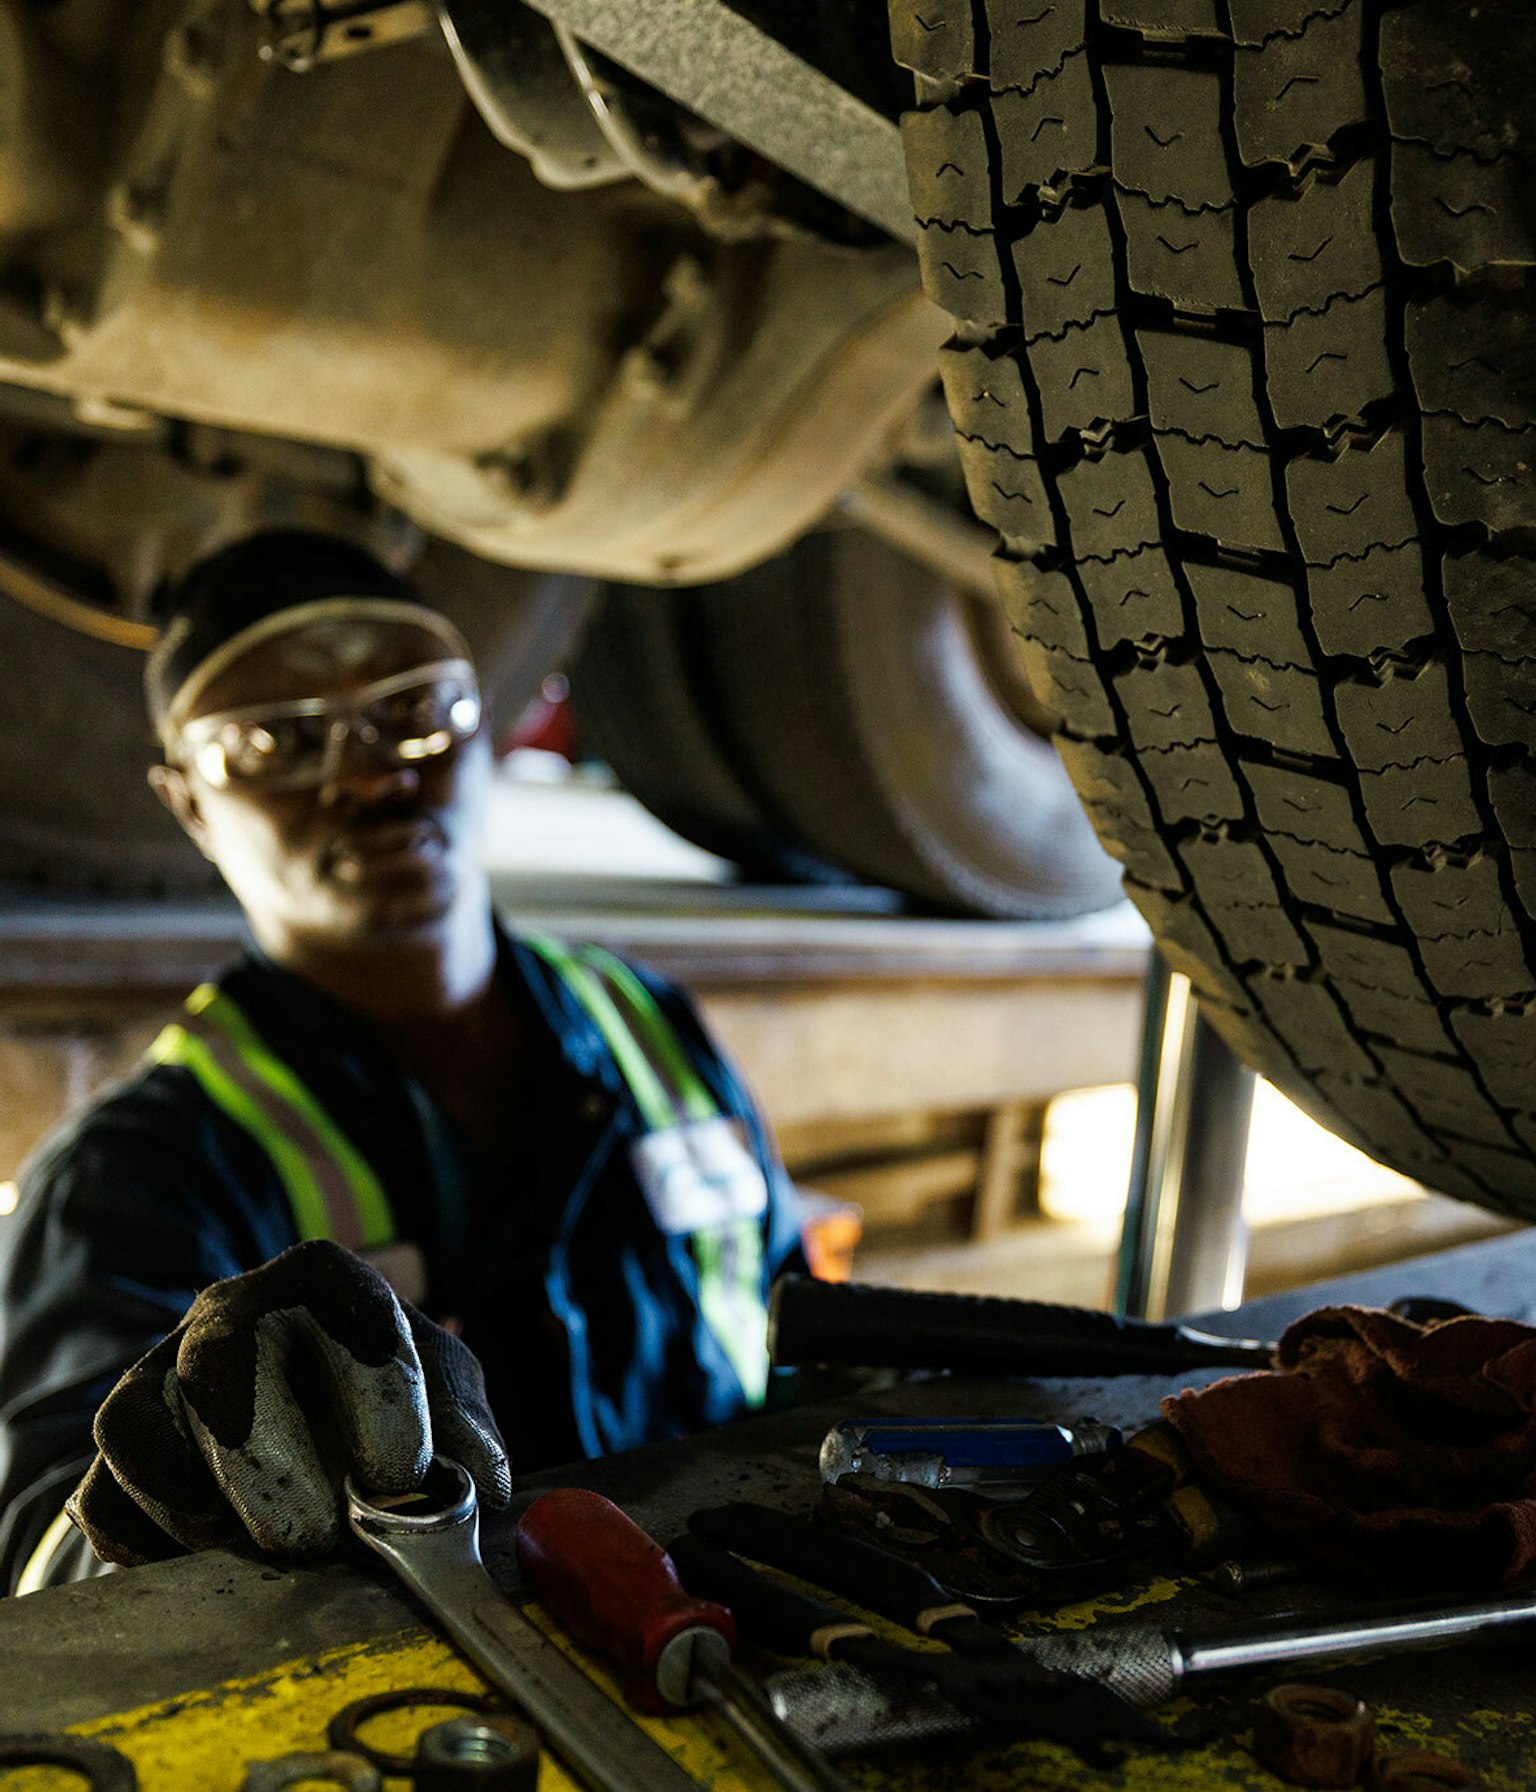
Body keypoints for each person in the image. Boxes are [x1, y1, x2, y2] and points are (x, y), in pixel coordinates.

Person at [0, 530, 806, 1592]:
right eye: (271, 744)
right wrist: (179, 1489)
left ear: (488, 726)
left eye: (413, 711)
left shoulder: (645, 1018)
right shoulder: (136, 1175)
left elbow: (800, 1332)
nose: (373, 777)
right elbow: (52, 1569)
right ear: (190, 804)